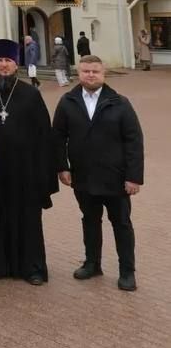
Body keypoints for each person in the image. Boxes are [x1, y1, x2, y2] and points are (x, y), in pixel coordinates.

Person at [53, 55, 144, 292]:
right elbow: (58, 137)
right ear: (79, 73)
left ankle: (127, 271)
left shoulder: (119, 103)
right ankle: (92, 263)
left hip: (115, 178)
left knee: (121, 224)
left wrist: (134, 177)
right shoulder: (68, 101)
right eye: (86, 71)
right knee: (90, 221)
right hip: (83, 177)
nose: (90, 75)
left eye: (95, 71)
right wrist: (62, 166)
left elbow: (134, 141)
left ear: (103, 74)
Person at [0, 40, 58, 285]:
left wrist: (44, 176)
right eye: (0, 61)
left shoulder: (31, 94)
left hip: (25, 172)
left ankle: (32, 268)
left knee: (28, 221)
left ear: (16, 65)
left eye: (8, 61)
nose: (4, 65)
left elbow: (45, 135)